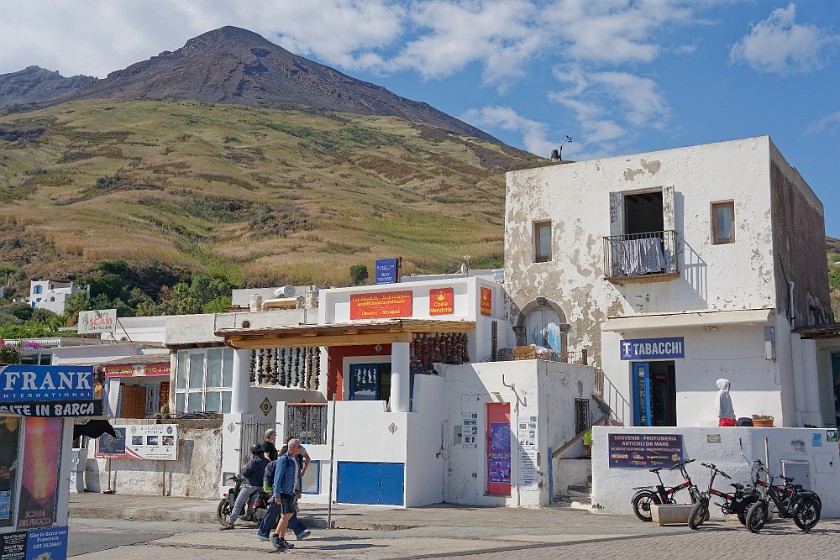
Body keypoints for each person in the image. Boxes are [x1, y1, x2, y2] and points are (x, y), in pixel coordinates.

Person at [258, 444, 310, 543]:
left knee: (288, 513)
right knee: (276, 513)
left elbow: (296, 478)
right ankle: (266, 533)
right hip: (278, 492)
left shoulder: (294, 462)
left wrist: (297, 490)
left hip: (288, 492)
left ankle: (294, 533)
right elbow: (272, 478)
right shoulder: (277, 463)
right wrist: (274, 492)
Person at [220, 443, 267, 530]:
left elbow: (244, 472)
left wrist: (245, 466)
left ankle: (231, 523)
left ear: (253, 452)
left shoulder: (253, 462)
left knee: (238, 503)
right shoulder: (266, 462)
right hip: (261, 487)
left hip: (250, 486)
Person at [268, 438, 303, 551]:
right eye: (299, 447)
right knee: (288, 514)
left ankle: (281, 539)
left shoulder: (295, 459)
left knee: (285, 515)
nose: (300, 449)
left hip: (291, 491)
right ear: (292, 447)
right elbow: (278, 477)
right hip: (284, 491)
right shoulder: (284, 459)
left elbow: (297, 476)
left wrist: (298, 490)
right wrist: (276, 494)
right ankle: (275, 536)